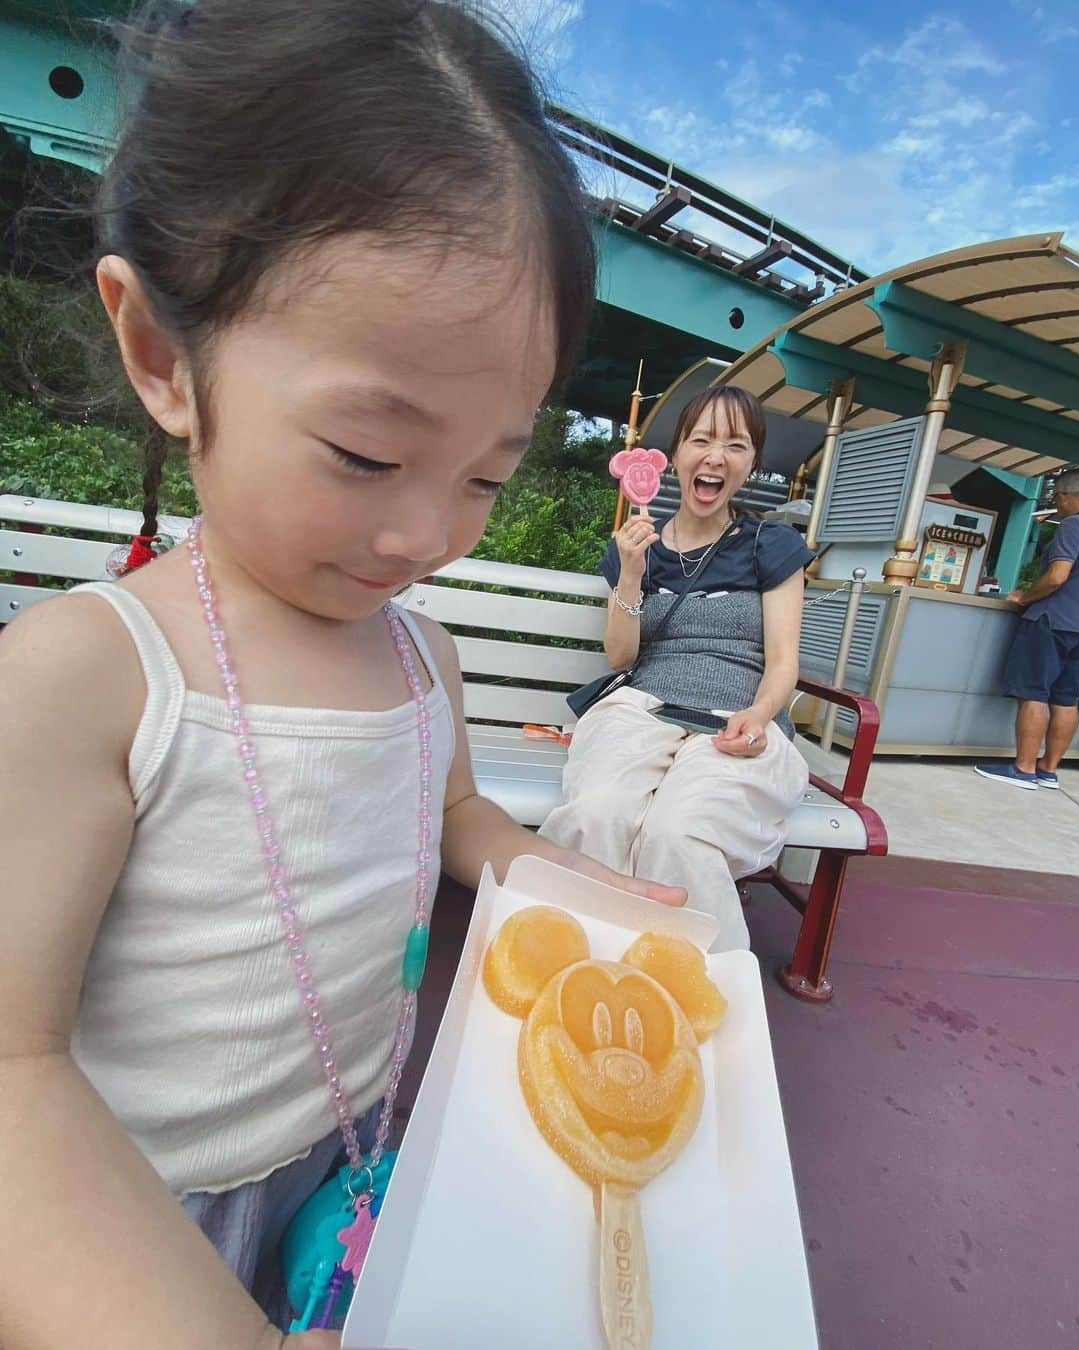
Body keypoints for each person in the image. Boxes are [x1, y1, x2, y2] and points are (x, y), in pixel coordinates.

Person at [0, 4, 685, 1347]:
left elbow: (455, 820)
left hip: (352, 1166)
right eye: (369, 457)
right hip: (126, 1230)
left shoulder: (421, 653)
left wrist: (593, 893)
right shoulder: (89, 678)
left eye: (487, 472)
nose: (425, 533)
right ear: (162, 355)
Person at [540, 386, 813, 952]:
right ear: (675, 455)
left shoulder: (773, 544)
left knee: (679, 830)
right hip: (643, 708)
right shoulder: (633, 546)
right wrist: (633, 572)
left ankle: (691, 982)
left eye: (735, 445)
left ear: (751, 465)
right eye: (702, 439)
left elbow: (784, 662)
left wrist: (759, 716)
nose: (716, 456)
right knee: (600, 811)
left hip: (737, 719)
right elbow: (621, 658)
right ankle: (571, 953)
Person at [975, 468, 1079, 789]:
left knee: (1033, 694)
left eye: (1057, 499)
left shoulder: (1073, 524)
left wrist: (1024, 596)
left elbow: (1057, 576)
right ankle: (1047, 769)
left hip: (1053, 620)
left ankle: (1023, 769)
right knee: (1067, 699)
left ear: (1064, 495)